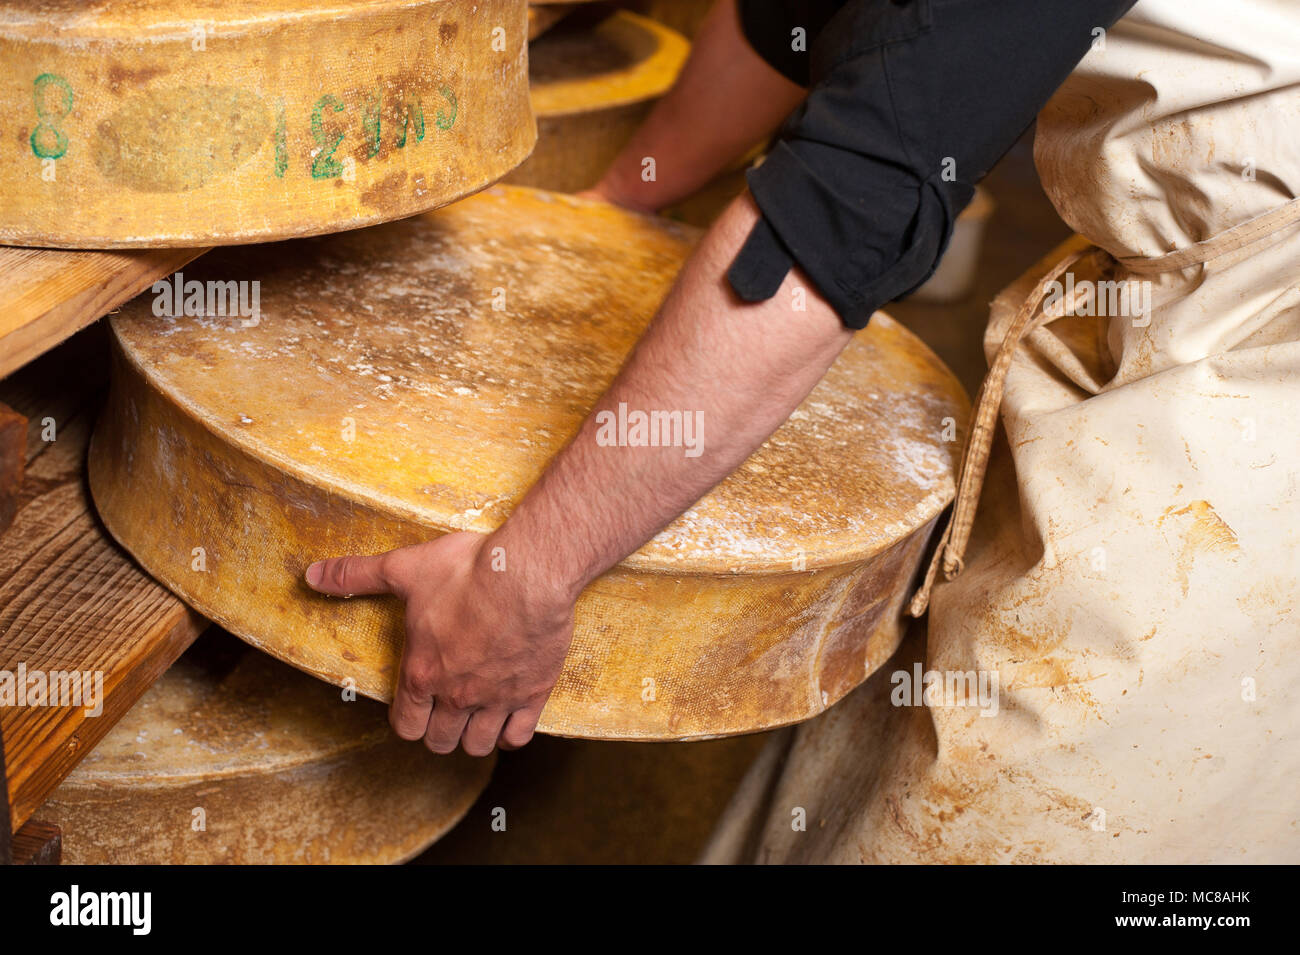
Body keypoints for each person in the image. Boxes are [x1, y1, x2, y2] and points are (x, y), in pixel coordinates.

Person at [306, 0, 1300, 862]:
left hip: (1259, 380)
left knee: (1044, 784)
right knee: (878, 754)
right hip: (1171, 286)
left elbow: (843, 209)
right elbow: (791, 22)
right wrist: (614, 205)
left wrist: (524, 581)